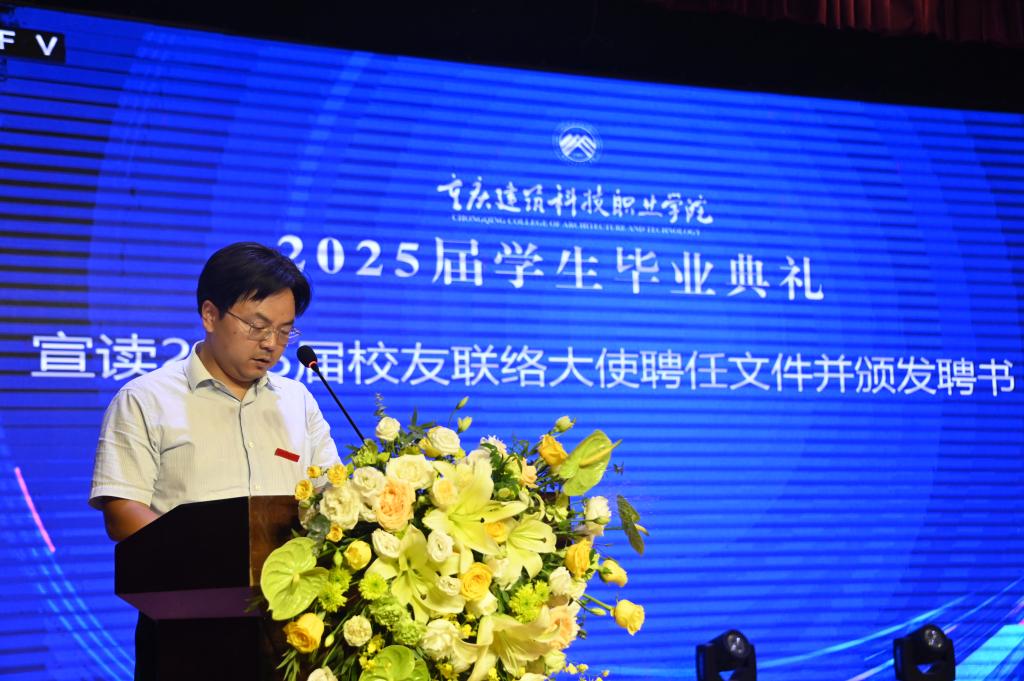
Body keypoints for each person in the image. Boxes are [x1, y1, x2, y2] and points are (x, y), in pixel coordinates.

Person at [88, 242, 342, 678]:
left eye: (284, 331)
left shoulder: (298, 401)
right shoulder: (145, 399)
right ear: (210, 314)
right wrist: (211, 562)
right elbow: (122, 511)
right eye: (257, 326)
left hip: (292, 624)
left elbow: (331, 496)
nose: (271, 344)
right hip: (186, 624)